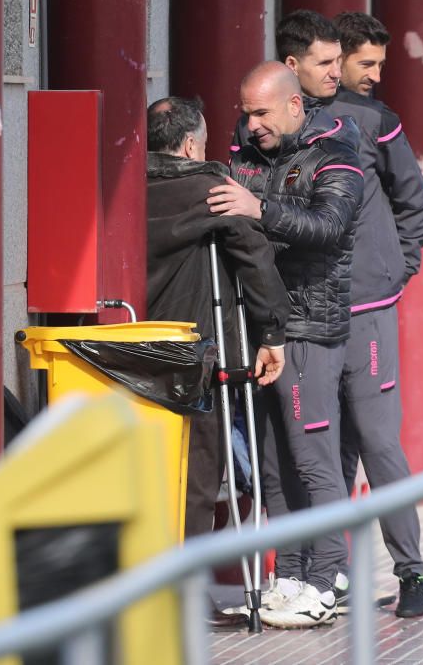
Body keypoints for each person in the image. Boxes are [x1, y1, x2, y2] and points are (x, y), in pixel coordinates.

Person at [273, 9, 423, 618]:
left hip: (367, 309)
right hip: (305, 318)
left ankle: (412, 572)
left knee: (376, 441)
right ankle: (327, 575)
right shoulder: (270, 122)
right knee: (314, 449)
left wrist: (394, 271)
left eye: (353, 63)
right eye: (337, 62)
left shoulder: (373, 121)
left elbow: (413, 203)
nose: (348, 74)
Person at [206, 61, 363, 629]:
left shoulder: (337, 154)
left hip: (310, 333)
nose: (251, 125)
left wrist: (260, 210)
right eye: (245, 114)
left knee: (313, 460)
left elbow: (330, 226)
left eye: (261, 113)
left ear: (295, 104)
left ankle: (326, 580)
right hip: (260, 333)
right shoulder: (245, 162)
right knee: (274, 465)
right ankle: (290, 575)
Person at [145, 96, 289, 626]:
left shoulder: (125, 189)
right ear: (188, 146)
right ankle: (184, 586)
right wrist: (272, 332)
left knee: (148, 470)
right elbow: (254, 258)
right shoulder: (211, 189)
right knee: (198, 475)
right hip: (199, 352)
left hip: (133, 350)